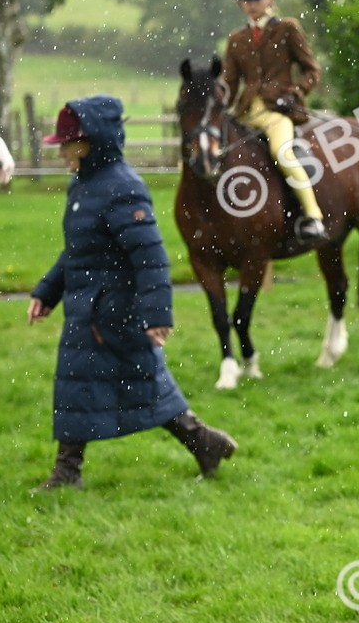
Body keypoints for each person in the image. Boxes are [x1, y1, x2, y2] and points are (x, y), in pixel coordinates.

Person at [28, 96, 237, 490]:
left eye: (67, 145)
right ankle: (204, 443)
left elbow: (151, 257)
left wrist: (157, 315)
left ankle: (68, 472)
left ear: (90, 143)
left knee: (115, 384)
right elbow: (78, 250)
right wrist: (47, 292)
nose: (61, 153)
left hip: (113, 311)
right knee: (123, 384)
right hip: (90, 308)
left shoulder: (123, 188)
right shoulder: (83, 185)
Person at [222, 0, 327, 243]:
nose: (250, 4)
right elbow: (229, 84)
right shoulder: (236, 39)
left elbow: (312, 70)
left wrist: (294, 92)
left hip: (277, 112)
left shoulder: (287, 29)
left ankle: (313, 216)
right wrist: (217, 107)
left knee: (282, 153)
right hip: (246, 112)